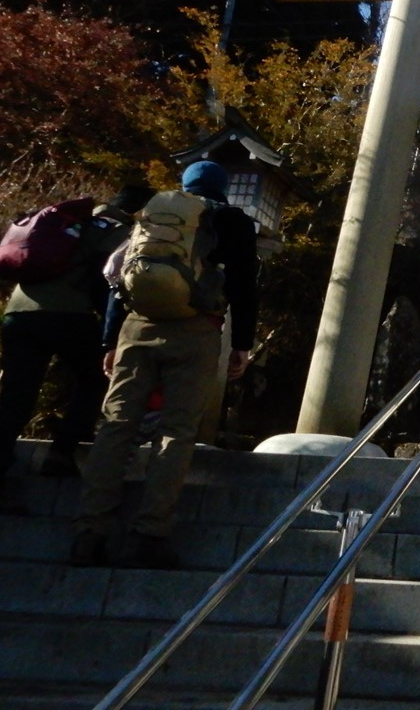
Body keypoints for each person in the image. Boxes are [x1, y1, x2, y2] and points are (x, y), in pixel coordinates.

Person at [70, 162, 258, 568]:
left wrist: (110, 340)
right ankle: (149, 535)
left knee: (116, 426)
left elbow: (120, 277)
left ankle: (90, 532)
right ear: (225, 187)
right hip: (196, 331)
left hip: (137, 327)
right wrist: (242, 343)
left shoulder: (155, 218)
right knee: (175, 431)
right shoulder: (232, 221)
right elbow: (244, 284)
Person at [0, 186, 151, 503]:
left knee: (17, 391)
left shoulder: (68, 221)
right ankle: (62, 453)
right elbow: (109, 282)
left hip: (18, 313)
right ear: (136, 212)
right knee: (94, 378)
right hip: (70, 314)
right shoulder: (116, 231)